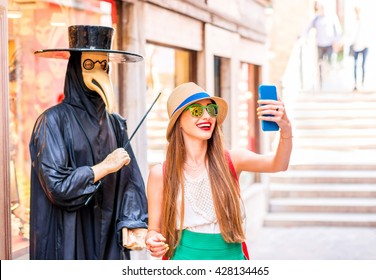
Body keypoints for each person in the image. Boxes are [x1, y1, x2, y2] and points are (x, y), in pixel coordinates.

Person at [29, 25, 148, 259]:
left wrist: (133, 220)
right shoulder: (52, 121)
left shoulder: (115, 123)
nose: (98, 70)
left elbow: (131, 180)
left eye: (103, 64)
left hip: (109, 244)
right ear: (75, 68)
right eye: (89, 64)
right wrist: (103, 168)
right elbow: (57, 187)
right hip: (69, 239)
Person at [145, 82, 292, 260]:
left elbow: (278, 164)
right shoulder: (161, 173)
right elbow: (154, 230)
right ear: (179, 122)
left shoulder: (232, 160)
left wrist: (286, 129)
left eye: (212, 110)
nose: (207, 116)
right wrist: (153, 241)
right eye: (196, 111)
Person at [350, 6, 370, 91]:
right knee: (355, 65)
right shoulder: (353, 22)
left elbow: (369, 33)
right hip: (355, 46)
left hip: (365, 45)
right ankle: (355, 83)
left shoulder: (365, 21)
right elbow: (350, 34)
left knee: (363, 65)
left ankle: (362, 82)